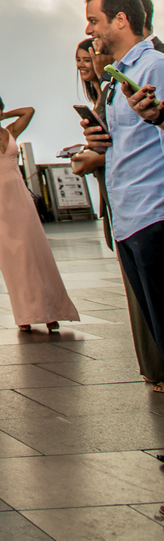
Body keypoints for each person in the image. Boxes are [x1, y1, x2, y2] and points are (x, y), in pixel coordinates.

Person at [71, 37, 164, 388]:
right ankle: (153, 366)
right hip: (124, 206)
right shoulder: (108, 92)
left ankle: (156, 368)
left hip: (147, 208)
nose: (86, 62)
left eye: (91, 51)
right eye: (80, 58)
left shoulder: (148, 69)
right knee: (142, 297)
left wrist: (96, 156)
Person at [0, 92, 78, 331]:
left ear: (1, 109)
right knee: (13, 257)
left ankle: (51, 310)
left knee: (36, 251)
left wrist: (2, 117)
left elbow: (29, 110)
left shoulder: (10, 131)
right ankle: (25, 314)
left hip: (20, 195)